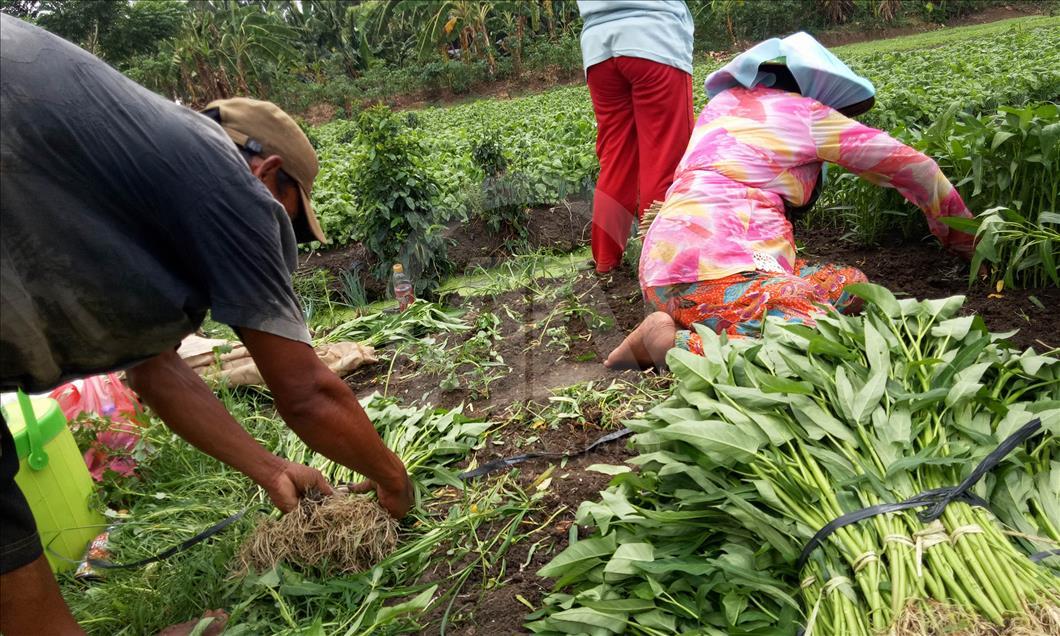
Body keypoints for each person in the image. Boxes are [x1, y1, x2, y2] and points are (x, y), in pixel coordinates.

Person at [0, 15, 411, 635]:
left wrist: (272, 470)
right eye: (292, 221)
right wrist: (393, 482)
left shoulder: (133, 158)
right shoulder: (224, 179)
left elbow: (157, 371)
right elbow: (304, 392)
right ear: (269, 172)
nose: (284, 239)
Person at [605, 32, 976, 370]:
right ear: (820, 95)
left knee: (850, 285)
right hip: (714, 271)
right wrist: (965, 239)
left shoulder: (725, 105)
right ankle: (672, 344)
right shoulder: (808, 114)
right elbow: (916, 168)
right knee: (815, 334)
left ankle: (690, 318)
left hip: (665, 272)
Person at [577, 0, 695, 274]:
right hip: (654, 38)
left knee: (615, 159)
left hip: (597, 46)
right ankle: (662, 266)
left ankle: (605, 262)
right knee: (665, 158)